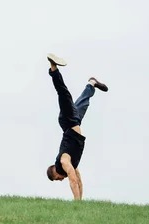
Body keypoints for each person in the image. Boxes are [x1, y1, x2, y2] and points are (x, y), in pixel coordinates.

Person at [45, 53, 108, 200]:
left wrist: (76, 201)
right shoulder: (71, 163)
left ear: (55, 172)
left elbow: (72, 178)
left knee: (63, 94)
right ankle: (91, 84)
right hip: (74, 122)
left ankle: (53, 68)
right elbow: (78, 179)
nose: (61, 180)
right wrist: (81, 202)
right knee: (83, 103)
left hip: (68, 121)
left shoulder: (63, 162)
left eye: (57, 178)